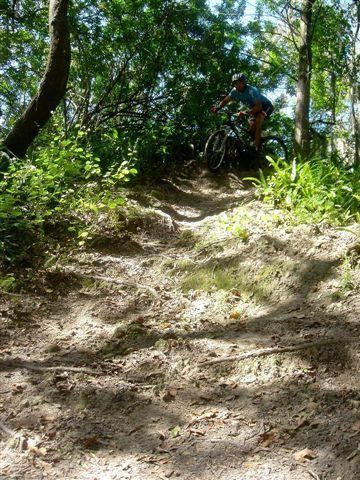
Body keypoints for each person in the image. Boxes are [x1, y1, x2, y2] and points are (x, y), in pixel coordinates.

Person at [211, 73, 274, 151]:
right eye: (235, 83)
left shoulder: (252, 90)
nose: (237, 85)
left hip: (265, 106)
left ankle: (256, 145)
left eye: (239, 83)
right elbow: (226, 100)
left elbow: (259, 107)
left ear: (244, 82)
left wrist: (244, 113)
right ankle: (258, 141)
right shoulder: (234, 91)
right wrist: (217, 107)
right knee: (251, 130)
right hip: (253, 108)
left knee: (258, 120)